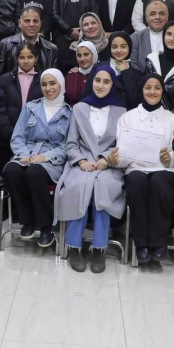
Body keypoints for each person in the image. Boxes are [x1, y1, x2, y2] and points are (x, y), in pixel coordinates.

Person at [55, 65, 127, 274]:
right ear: (91, 82)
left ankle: (99, 248)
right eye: (97, 80)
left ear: (113, 85)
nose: (101, 85)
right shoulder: (79, 108)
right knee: (79, 187)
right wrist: (80, 161)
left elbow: (122, 143)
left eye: (106, 82)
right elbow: (71, 143)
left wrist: (106, 158)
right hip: (82, 163)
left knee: (102, 188)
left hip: (109, 165)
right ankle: (73, 246)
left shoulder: (121, 112)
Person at [107, 73, 174, 264]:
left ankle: (158, 242)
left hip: (165, 170)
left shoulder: (173, 119)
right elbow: (122, 153)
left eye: (157, 88)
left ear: (162, 91)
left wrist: (170, 158)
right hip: (135, 169)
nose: (152, 92)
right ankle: (141, 243)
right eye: (148, 87)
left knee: (160, 183)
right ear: (141, 90)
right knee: (136, 181)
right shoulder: (127, 118)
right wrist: (115, 160)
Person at [2, 69, 72, 248]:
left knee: (34, 173)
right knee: (11, 170)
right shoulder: (30, 107)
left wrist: (44, 157)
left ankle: (46, 226)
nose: (48, 88)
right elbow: (17, 137)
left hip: (52, 161)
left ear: (61, 85)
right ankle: (27, 221)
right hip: (27, 154)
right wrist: (24, 155)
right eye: (44, 84)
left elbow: (67, 146)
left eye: (53, 83)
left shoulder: (69, 112)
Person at [0, 42, 44, 176]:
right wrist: (11, 133)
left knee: (29, 175)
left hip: (34, 139)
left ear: (36, 58)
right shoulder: (5, 79)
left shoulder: (43, 80)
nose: (26, 61)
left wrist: (32, 134)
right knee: (6, 174)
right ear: (16, 58)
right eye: (22, 57)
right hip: (7, 138)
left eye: (30, 57)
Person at [52, 0, 96, 71]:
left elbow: (94, 15)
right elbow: (54, 14)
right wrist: (69, 31)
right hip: (62, 38)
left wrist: (82, 32)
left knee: (82, 70)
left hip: (84, 38)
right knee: (63, 71)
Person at [84, 31, 143, 109]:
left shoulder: (137, 74)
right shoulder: (99, 67)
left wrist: (126, 72)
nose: (118, 50)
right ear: (110, 48)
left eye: (123, 47)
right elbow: (86, 94)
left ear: (129, 48)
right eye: (114, 47)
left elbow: (135, 101)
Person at [0, 7, 59, 75]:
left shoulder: (51, 49)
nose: (31, 24)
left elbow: (54, 77)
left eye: (35, 21)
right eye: (27, 21)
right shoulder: (6, 45)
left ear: (40, 23)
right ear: (20, 23)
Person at [129, 0, 169, 71]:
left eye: (162, 13)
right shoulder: (134, 39)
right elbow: (132, 66)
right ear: (146, 17)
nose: (157, 17)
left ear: (167, 16)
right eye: (152, 14)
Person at [65, 41, 98, 106]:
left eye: (86, 54)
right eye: (79, 55)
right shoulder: (71, 75)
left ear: (93, 55)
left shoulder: (100, 74)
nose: (82, 59)